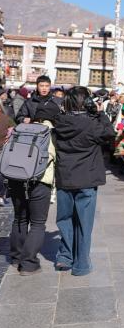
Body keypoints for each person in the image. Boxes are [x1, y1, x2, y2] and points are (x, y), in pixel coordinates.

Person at [44, 87, 115, 276]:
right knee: (84, 222)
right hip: (87, 178)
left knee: (64, 218)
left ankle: (65, 257)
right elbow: (110, 134)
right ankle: (81, 264)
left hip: (65, 177)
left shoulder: (59, 121)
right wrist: (100, 114)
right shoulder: (92, 123)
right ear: (87, 103)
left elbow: (43, 111)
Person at [7, 101, 56, 275]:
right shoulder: (51, 132)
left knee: (19, 219)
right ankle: (28, 264)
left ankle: (15, 258)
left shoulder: (21, 128)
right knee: (37, 223)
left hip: (15, 178)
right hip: (39, 181)